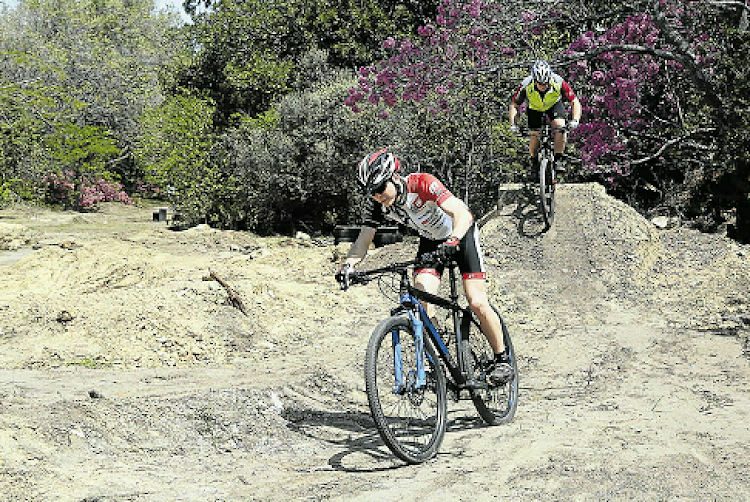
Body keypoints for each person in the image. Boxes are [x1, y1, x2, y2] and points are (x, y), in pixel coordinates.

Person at [336, 149, 513, 385]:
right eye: (371, 192)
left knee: (477, 301)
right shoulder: (379, 205)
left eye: (380, 189)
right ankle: (441, 357)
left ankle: (502, 360)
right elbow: (363, 240)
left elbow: (461, 213)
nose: (377, 196)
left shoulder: (422, 183)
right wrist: (348, 265)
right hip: (431, 241)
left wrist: (453, 240)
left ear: (395, 178)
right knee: (421, 301)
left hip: (461, 234)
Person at [509, 60, 582, 176]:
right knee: (535, 134)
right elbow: (515, 105)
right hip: (534, 108)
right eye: (540, 83)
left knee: (560, 127)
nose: (543, 86)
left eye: (545, 83)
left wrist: (575, 120)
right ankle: (534, 162)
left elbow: (575, 102)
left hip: (554, 105)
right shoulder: (525, 85)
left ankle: (558, 159)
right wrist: (513, 124)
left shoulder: (558, 81)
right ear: (534, 80)